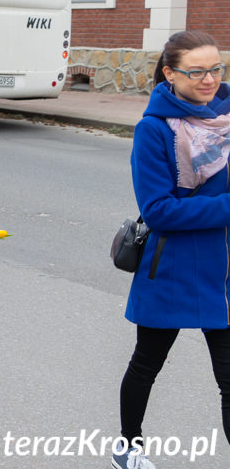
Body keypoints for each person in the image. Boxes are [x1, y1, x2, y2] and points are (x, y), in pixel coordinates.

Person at [111, 30, 230, 469]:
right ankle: (127, 448)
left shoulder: (229, 117)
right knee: (147, 364)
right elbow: (159, 211)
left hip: (225, 270)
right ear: (169, 73)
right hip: (173, 267)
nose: (209, 79)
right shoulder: (153, 130)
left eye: (216, 68)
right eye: (196, 71)